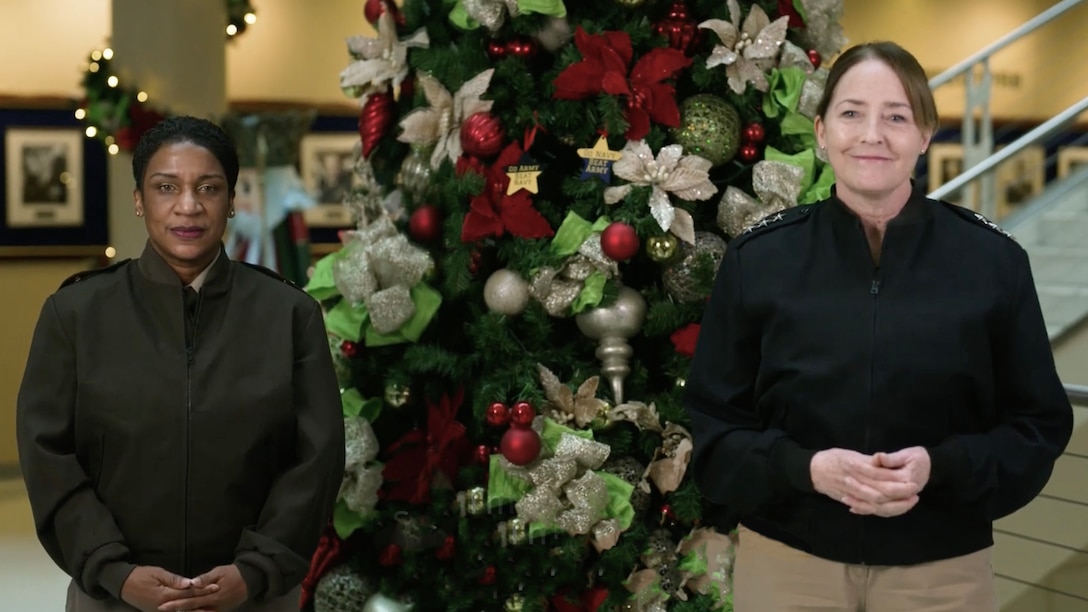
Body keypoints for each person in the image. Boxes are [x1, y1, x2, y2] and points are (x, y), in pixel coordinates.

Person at [684, 42, 1073, 611]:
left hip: (942, 573)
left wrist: (939, 468)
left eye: (896, 116)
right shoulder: (758, 260)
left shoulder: (994, 263)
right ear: (821, 131)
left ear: (925, 134)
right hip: (789, 564)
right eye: (851, 113)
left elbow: (1036, 427)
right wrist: (807, 469)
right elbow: (715, 429)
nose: (872, 134)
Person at [16, 116, 346, 612]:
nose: (187, 206)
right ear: (138, 200)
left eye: (208, 188)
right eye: (166, 186)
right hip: (113, 595)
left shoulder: (288, 315)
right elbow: (48, 457)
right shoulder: (76, 314)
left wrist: (253, 571)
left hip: (252, 595)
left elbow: (316, 458)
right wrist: (114, 571)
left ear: (232, 201)